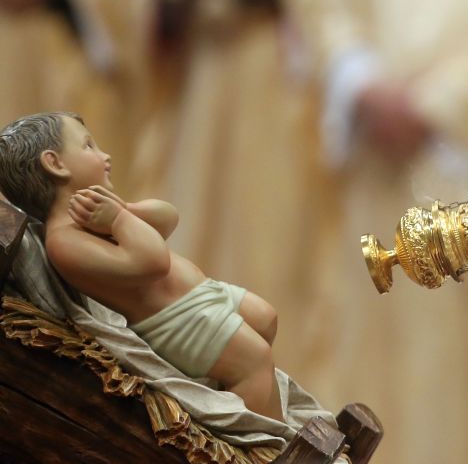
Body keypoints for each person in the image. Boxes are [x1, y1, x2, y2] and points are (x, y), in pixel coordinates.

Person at [0, 112, 283, 422]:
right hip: (179, 321)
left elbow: (168, 219)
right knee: (254, 362)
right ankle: (268, 445)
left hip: (203, 297)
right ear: (55, 163)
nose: (104, 154)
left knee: (265, 319)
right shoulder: (64, 241)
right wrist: (119, 221)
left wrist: (124, 210)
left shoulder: (95, 212)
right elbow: (154, 263)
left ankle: (238, 385)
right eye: (88, 146)